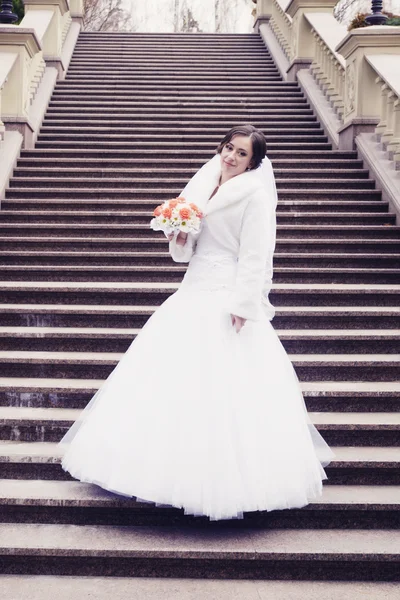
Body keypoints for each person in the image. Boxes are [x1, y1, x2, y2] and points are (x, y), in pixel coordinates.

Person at [60, 124, 334, 521]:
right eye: (228, 148)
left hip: (227, 295)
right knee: (168, 379)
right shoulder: (203, 185)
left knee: (223, 385)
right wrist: (180, 233)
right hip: (193, 288)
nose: (231, 157)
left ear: (254, 162)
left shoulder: (254, 196)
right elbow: (184, 255)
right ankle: (156, 471)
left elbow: (257, 254)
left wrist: (244, 303)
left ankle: (226, 483)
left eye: (242, 154)